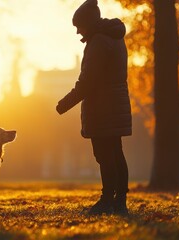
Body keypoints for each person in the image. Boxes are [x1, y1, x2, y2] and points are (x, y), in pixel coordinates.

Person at [56, 0, 132, 215]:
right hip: (115, 104)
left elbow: (88, 81)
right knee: (116, 153)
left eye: (79, 26)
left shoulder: (98, 42)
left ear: (88, 23)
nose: (78, 31)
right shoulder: (114, 37)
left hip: (103, 107)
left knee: (105, 156)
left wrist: (65, 104)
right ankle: (119, 202)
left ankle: (108, 200)